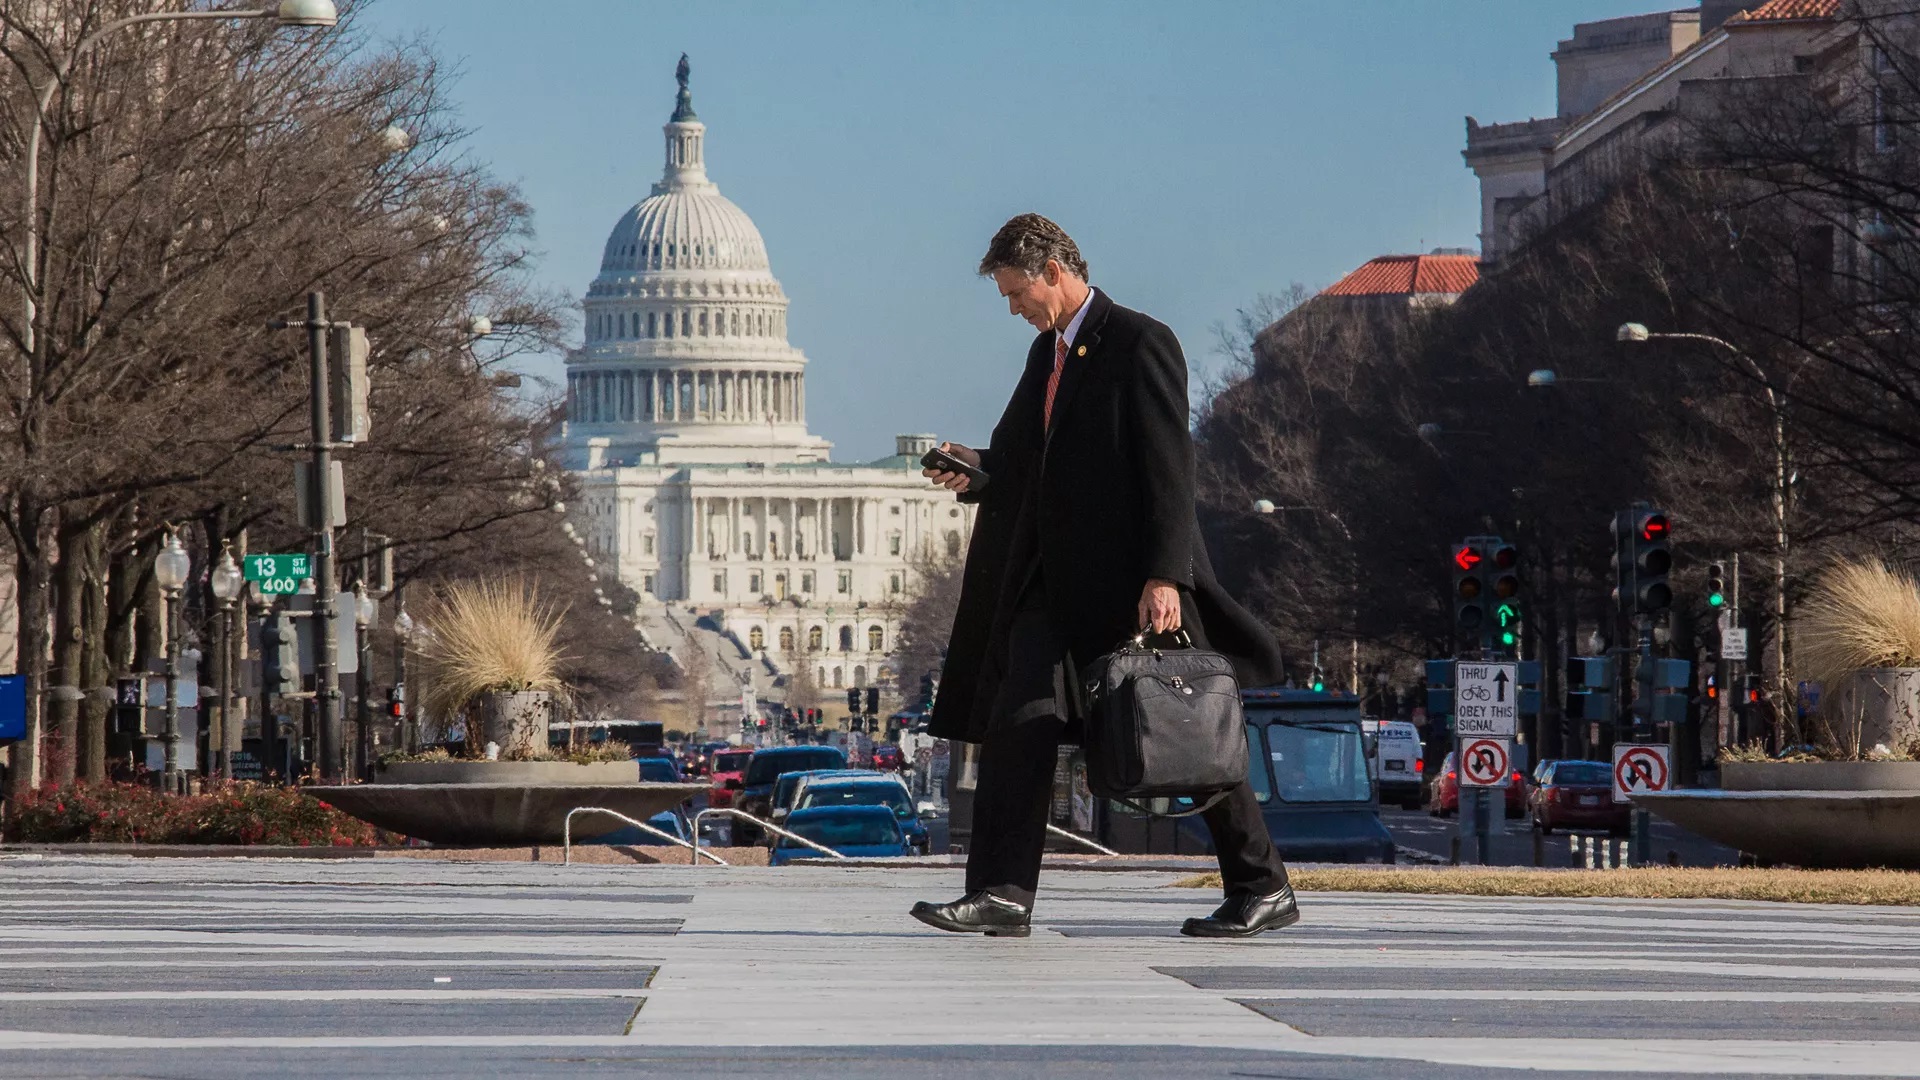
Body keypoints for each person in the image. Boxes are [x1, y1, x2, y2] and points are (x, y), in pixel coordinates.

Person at [910, 213, 1298, 939]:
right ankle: (1001, 892)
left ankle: (1261, 883)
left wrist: (1165, 577)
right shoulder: (1045, 355)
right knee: (1016, 722)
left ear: (1055, 272)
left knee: (1183, 729)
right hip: (1049, 586)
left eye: (1016, 292)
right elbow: (1020, 460)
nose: (1013, 308)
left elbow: (1170, 468)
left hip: (1128, 588)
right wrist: (972, 469)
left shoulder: (1141, 342)